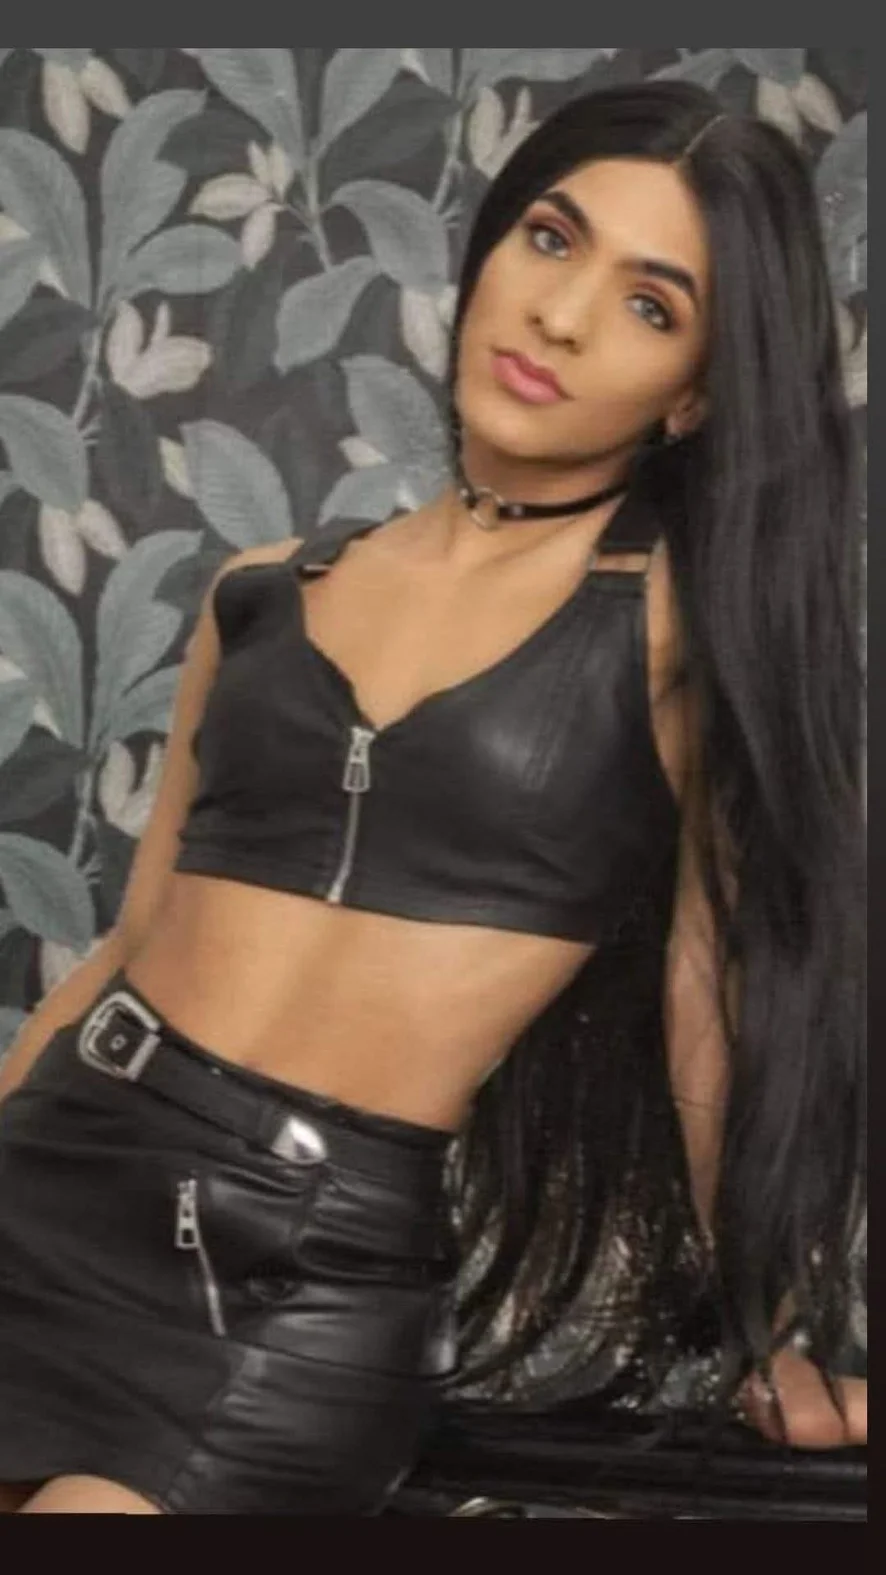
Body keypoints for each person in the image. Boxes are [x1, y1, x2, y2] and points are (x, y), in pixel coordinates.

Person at [0, 79, 866, 1515]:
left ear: (697, 390)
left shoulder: (679, 633)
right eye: (549, 238)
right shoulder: (263, 591)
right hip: (53, 1178)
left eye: (649, 305)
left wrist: (765, 1328)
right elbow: (130, 946)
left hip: (282, 1282)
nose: (560, 315)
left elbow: (712, 994)